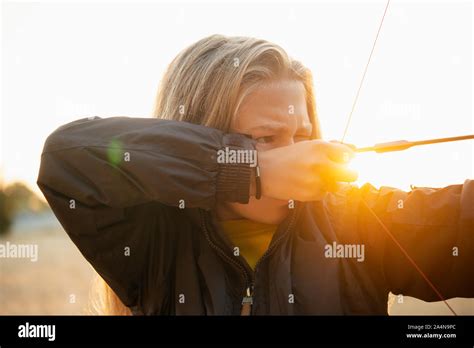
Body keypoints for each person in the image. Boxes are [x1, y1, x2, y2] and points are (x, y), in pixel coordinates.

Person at [37, 34, 473, 315]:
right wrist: (252, 170)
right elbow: (67, 157)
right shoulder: (156, 238)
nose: (294, 156)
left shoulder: (359, 222)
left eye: (302, 136)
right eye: (265, 138)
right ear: (204, 138)